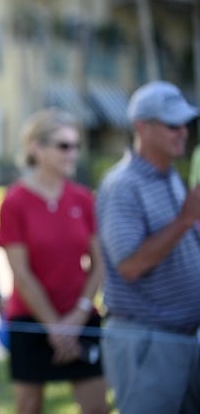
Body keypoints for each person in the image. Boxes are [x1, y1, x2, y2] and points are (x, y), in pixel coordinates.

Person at [96, 81, 200, 414]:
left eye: (185, 123)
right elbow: (129, 265)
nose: (182, 132)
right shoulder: (123, 185)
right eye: (173, 124)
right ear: (143, 127)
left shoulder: (168, 175)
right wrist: (185, 219)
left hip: (180, 338)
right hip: (147, 341)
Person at [0, 109, 108, 414]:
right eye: (63, 145)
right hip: (31, 320)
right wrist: (55, 328)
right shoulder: (15, 201)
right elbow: (20, 271)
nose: (72, 153)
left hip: (81, 317)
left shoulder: (84, 199)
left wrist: (77, 317)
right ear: (36, 147)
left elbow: (99, 264)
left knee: (98, 406)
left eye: (75, 146)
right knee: (29, 407)